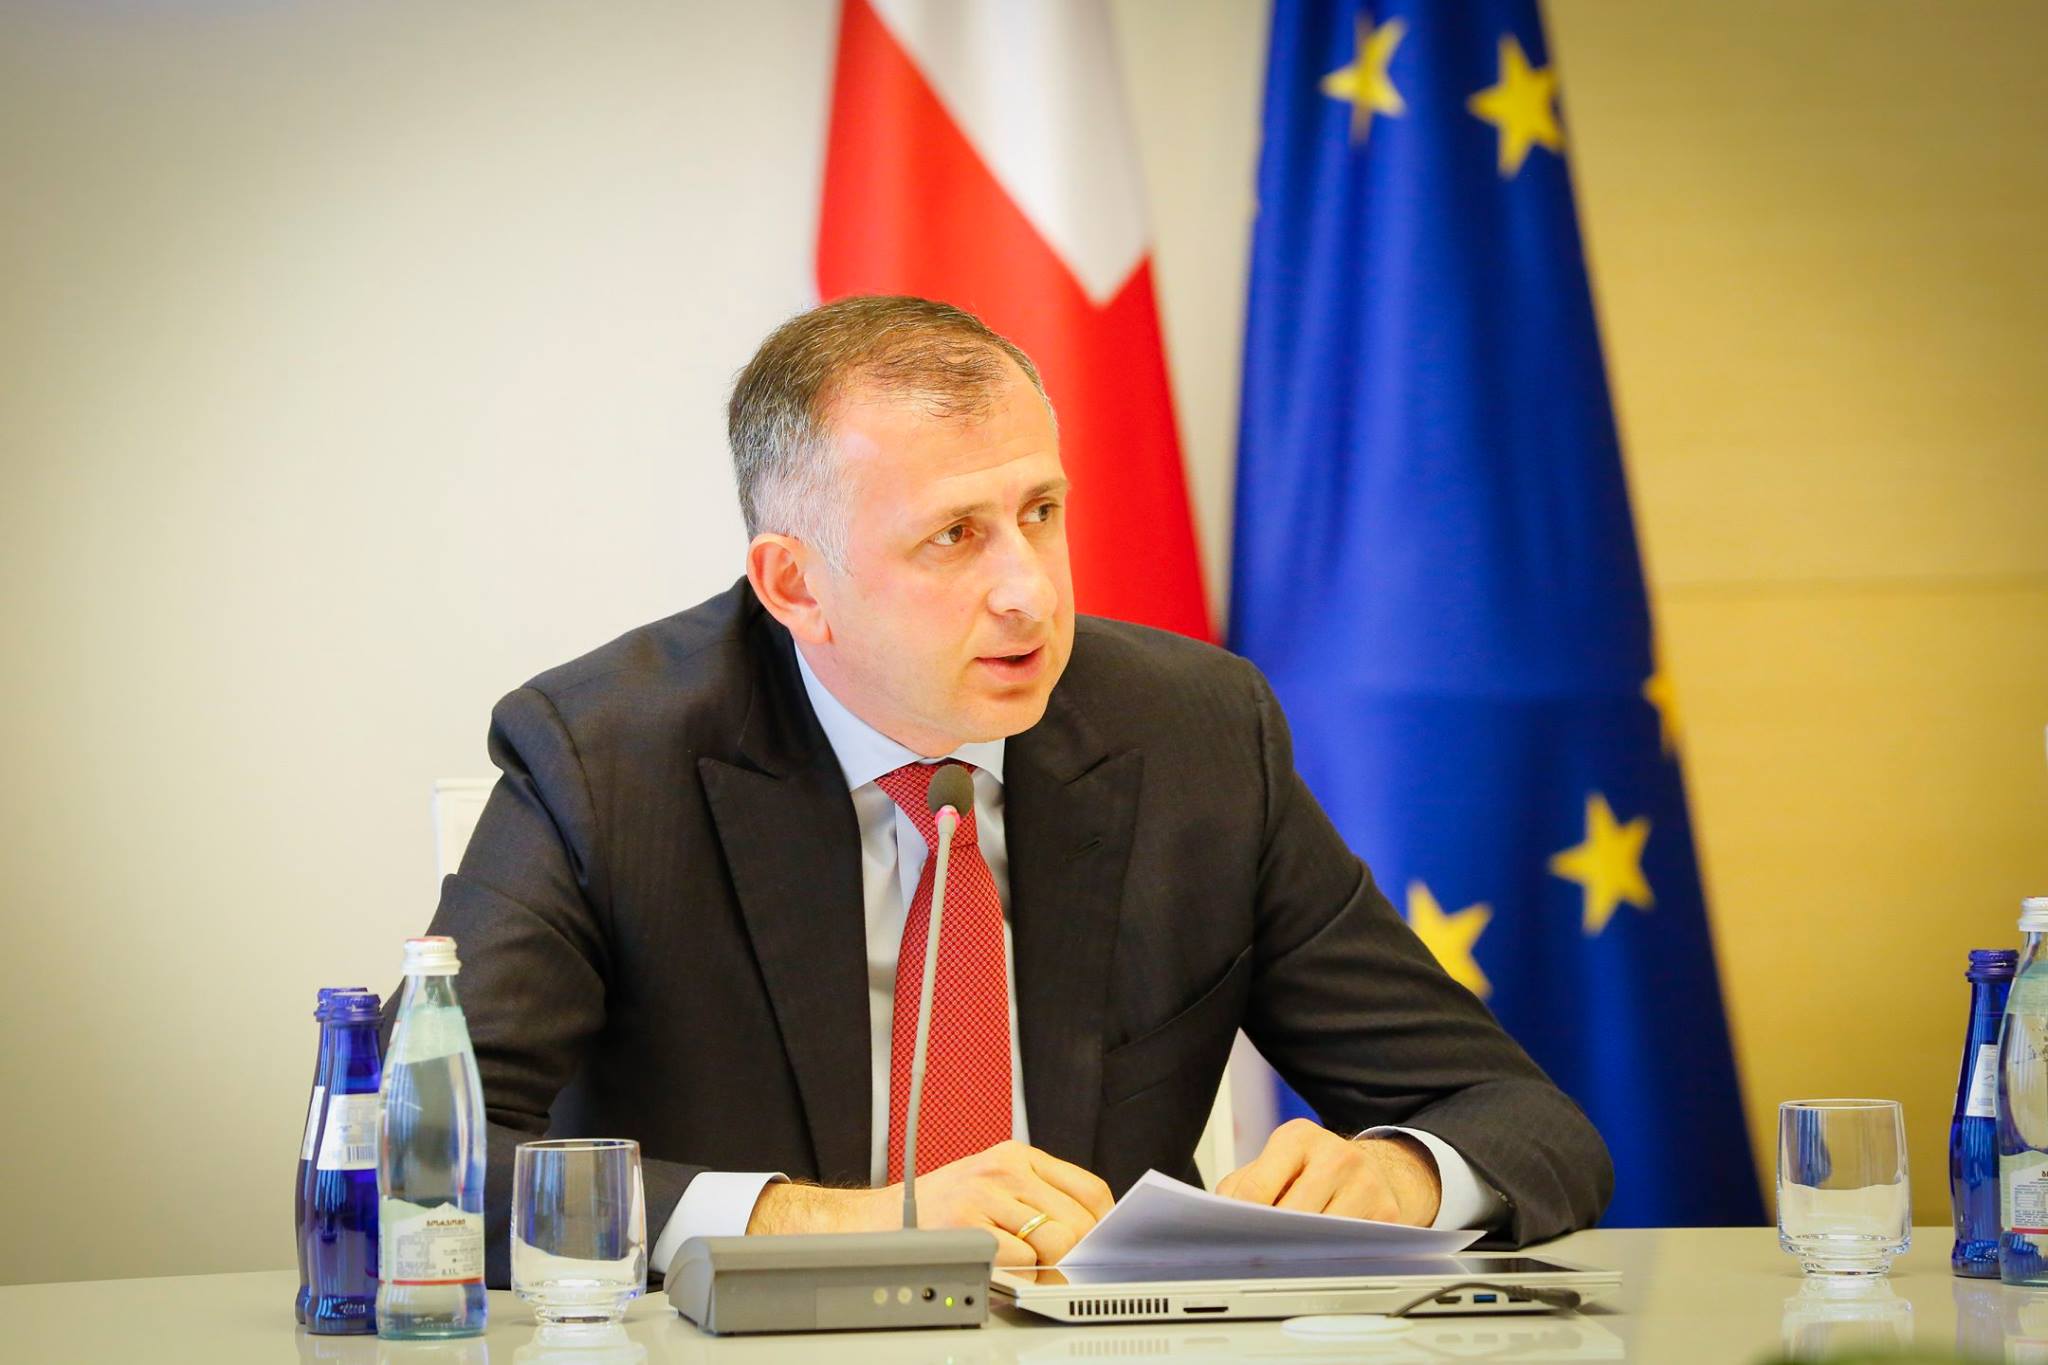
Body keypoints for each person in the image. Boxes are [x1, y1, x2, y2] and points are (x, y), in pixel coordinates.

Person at [416, 296, 1612, 1288]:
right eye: (952, 537)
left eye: (1040, 514)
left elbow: (1517, 1116)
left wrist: (1402, 1173)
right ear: (795, 588)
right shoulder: (602, 756)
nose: (1029, 592)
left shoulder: (1192, 734)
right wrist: (829, 1223)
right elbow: (424, 1165)